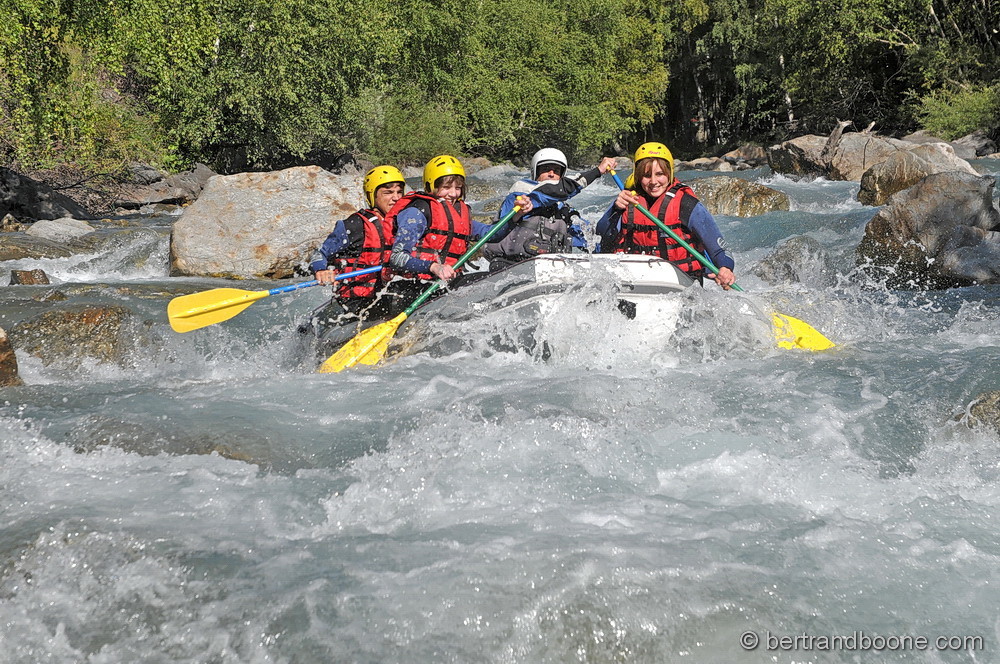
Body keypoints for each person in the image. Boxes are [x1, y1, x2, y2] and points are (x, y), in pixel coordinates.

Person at [384, 154, 529, 311]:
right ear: (430, 186)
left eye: (458, 188)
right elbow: (397, 257)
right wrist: (434, 267)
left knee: (494, 280)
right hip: (413, 288)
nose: (453, 194)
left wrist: (516, 215)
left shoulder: (457, 215)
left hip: (443, 286)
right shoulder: (417, 212)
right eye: (446, 187)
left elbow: (492, 234)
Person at [596, 142, 736, 288]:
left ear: (669, 174)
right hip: (635, 281)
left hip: (680, 284)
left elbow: (720, 249)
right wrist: (616, 209)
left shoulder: (686, 204)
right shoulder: (627, 200)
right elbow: (601, 236)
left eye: (659, 174)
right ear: (637, 176)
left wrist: (725, 269)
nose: (653, 182)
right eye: (646, 175)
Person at [302, 165, 405, 334]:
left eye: (399, 192)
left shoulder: (406, 223)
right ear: (373, 195)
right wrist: (321, 270)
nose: (395, 198)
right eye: (388, 193)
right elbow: (319, 253)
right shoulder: (355, 225)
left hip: (389, 298)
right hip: (356, 304)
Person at [483, 148, 617, 269]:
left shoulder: (564, 212)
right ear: (535, 172)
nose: (552, 174)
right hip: (508, 266)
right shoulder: (521, 192)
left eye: (557, 171)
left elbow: (592, 240)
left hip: (547, 270)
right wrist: (597, 171)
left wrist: (617, 210)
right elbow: (554, 191)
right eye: (546, 169)